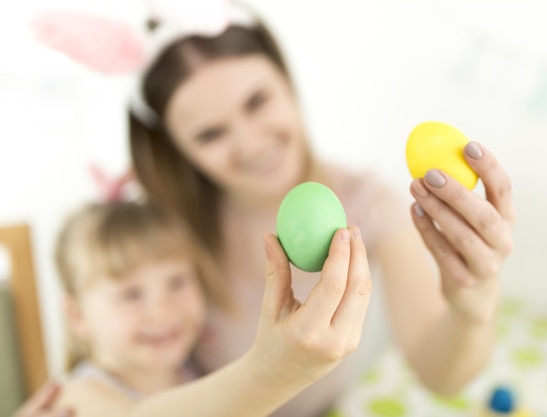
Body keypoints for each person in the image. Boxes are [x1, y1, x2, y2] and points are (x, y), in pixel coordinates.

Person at [20, 2, 514, 416]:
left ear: (287, 80)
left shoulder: (368, 204)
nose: (251, 144)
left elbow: (441, 372)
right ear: (177, 149)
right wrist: (271, 373)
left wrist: (473, 300)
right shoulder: (164, 229)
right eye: (209, 134)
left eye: (257, 101)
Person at [44, 200, 214, 416]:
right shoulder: (79, 396)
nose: (163, 310)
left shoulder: (195, 373)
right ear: (77, 315)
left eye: (177, 282)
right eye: (131, 295)